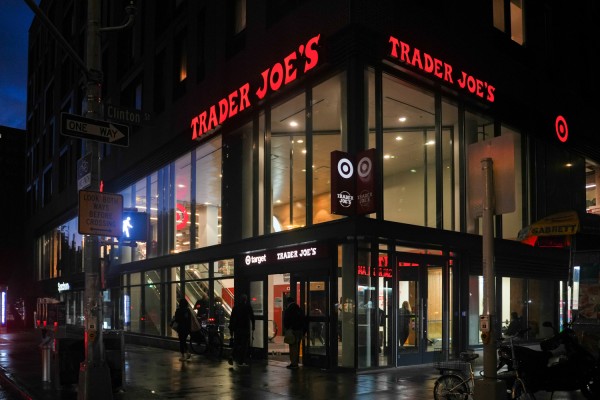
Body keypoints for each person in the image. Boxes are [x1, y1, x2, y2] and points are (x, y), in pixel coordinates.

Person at [228, 294, 255, 366]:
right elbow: (252, 317)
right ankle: (241, 361)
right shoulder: (248, 307)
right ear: (245, 300)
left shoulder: (236, 307)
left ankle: (232, 356)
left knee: (236, 343)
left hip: (237, 328)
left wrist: (231, 327)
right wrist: (253, 327)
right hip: (245, 328)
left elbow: (232, 317)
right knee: (244, 345)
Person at [282, 296, 306, 369]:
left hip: (292, 330)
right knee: (297, 346)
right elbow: (303, 319)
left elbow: (286, 320)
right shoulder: (299, 308)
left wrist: (286, 328)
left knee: (292, 347)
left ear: (288, 302)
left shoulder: (289, 309)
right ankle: (296, 361)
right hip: (299, 330)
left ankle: (294, 363)